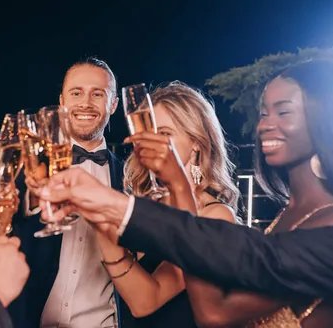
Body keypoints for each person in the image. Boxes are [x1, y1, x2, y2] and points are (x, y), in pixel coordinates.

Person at [38, 60, 333, 327]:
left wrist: (173, 186)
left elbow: (213, 312)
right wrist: (101, 218)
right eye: (263, 113)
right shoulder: (290, 214)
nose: (265, 125)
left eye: (283, 112)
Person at [91, 82, 240, 327]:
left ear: (197, 143)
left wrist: (101, 227)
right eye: (147, 134)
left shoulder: (216, 215)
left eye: (164, 134)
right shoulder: (143, 204)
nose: (150, 143)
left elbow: (145, 302)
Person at [8, 56, 128, 327]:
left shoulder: (130, 178)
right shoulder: (26, 167)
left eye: (98, 94)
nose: (86, 103)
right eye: (77, 93)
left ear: (114, 105)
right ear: (62, 102)